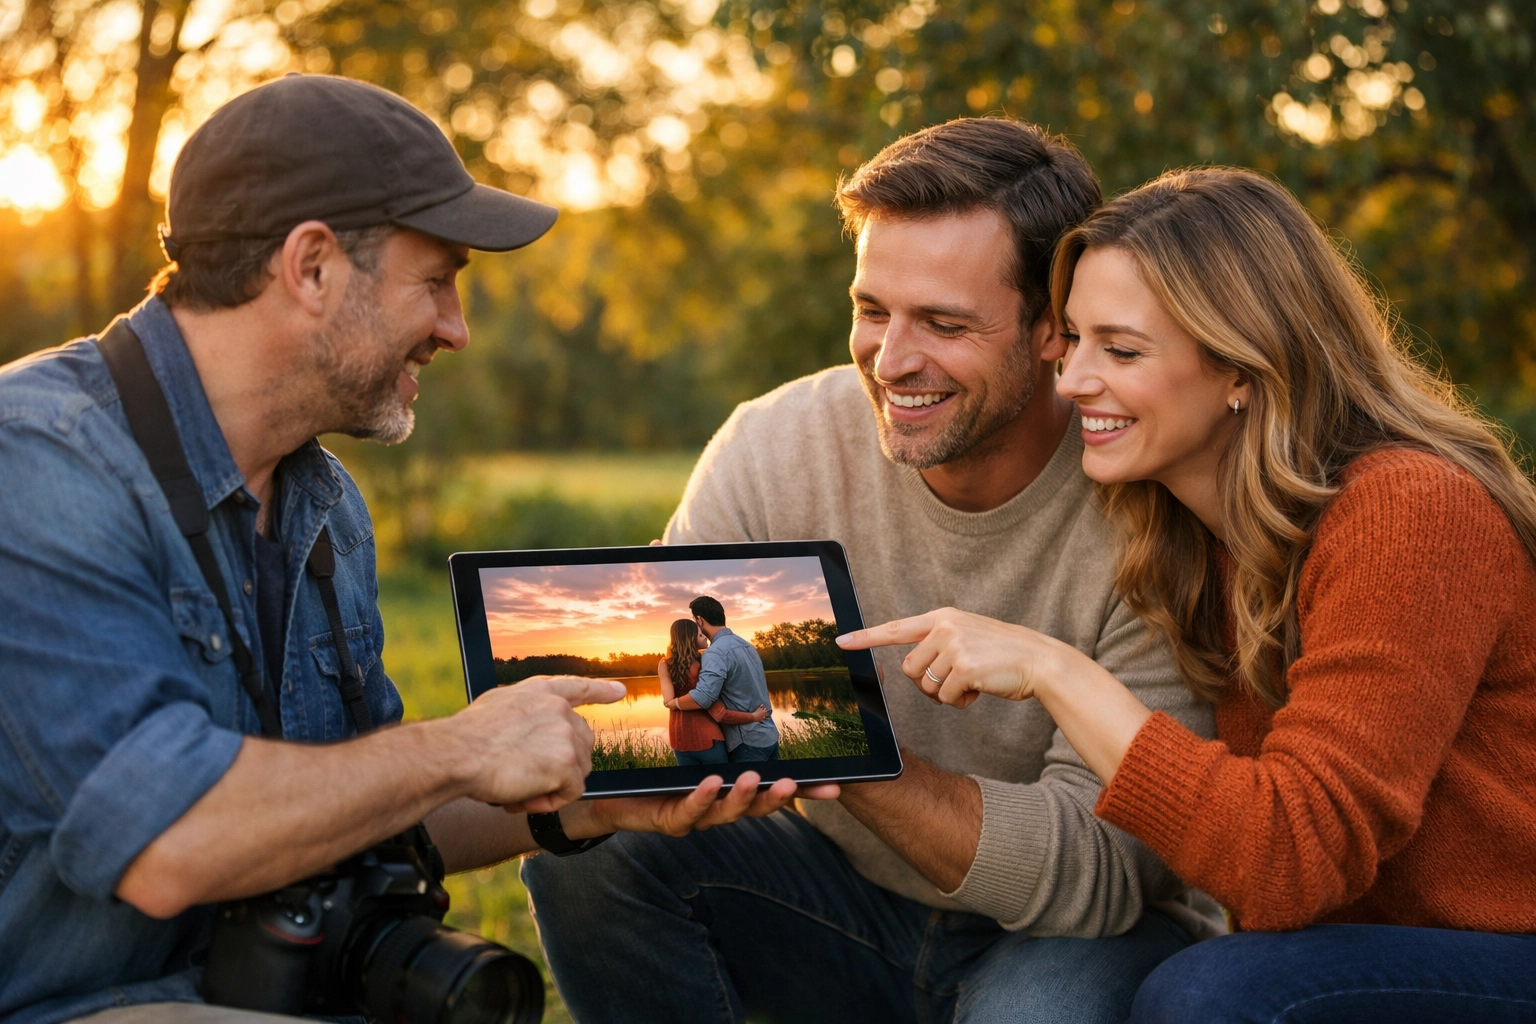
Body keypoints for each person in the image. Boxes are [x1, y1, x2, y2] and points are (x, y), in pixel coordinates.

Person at [0, 74, 816, 1024]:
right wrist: (458, 746)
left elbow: (362, 798)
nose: (456, 329)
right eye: (437, 281)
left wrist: (579, 804)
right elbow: (167, 837)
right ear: (311, 268)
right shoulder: (41, 466)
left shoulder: (322, 503)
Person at [522, 117, 1223, 1024]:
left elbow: (1102, 876)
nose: (891, 362)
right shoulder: (774, 445)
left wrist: (843, 753)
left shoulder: (1149, 495)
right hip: (846, 893)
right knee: (593, 860)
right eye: (871, 309)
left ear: (1055, 327)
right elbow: (660, 722)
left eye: (944, 323)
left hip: (1080, 938)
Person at [838, 167, 1536, 1022]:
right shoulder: (1191, 535)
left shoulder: (1407, 513)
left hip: (1506, 948)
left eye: (1122, 351)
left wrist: (1058, 671)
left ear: (1243, 367)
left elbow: (1288, 860)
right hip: (1354, 953)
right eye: (1078, 341)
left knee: (1214, 990)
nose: (1073, 381)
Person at [664, 596, 781, 762]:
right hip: (769, 736)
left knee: (742, 789)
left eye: (694, 620)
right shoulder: (746, 645)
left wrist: (673, 703)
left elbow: (703, 698)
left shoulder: (715, 652)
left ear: (699, 620)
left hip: (746, 742)